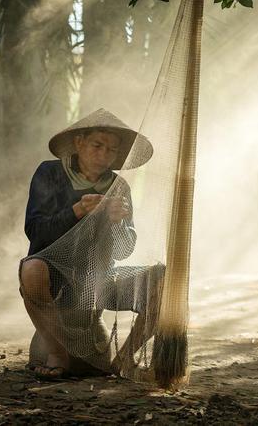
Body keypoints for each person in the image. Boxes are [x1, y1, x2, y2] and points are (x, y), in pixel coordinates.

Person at [19, 109, 162, 380]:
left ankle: (123, 359)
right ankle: (57, 353)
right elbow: (35, 233)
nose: (104, 155)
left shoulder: (118, 186)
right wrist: (75, 211)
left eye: (111, 150)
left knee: (163, 279)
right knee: (31, 268)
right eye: (97, 145)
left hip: (101, 278)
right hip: (57, 275)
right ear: (79, 143)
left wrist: (118, 222)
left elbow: (124, 250)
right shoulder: (49, 173)